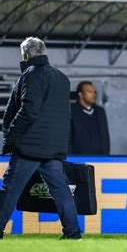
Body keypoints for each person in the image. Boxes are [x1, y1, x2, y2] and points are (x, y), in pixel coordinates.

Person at [0, 37, 81, 240]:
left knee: (9, 190)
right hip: (53, 147)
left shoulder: (31, 74)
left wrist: (10, 137)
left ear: (26, 54)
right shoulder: (62, 78)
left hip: (29, 146)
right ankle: (73, 233)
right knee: (61, 191)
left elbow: (28, 111)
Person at [69, 81, 110, 155]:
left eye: (95, 92)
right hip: (79, 159)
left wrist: (106, 156)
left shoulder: (100, 111)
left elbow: (105, 137)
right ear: (80, 95)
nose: (94, 94)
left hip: (100, 159)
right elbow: (68, 138)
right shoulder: (71, 110)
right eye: (90, 92)